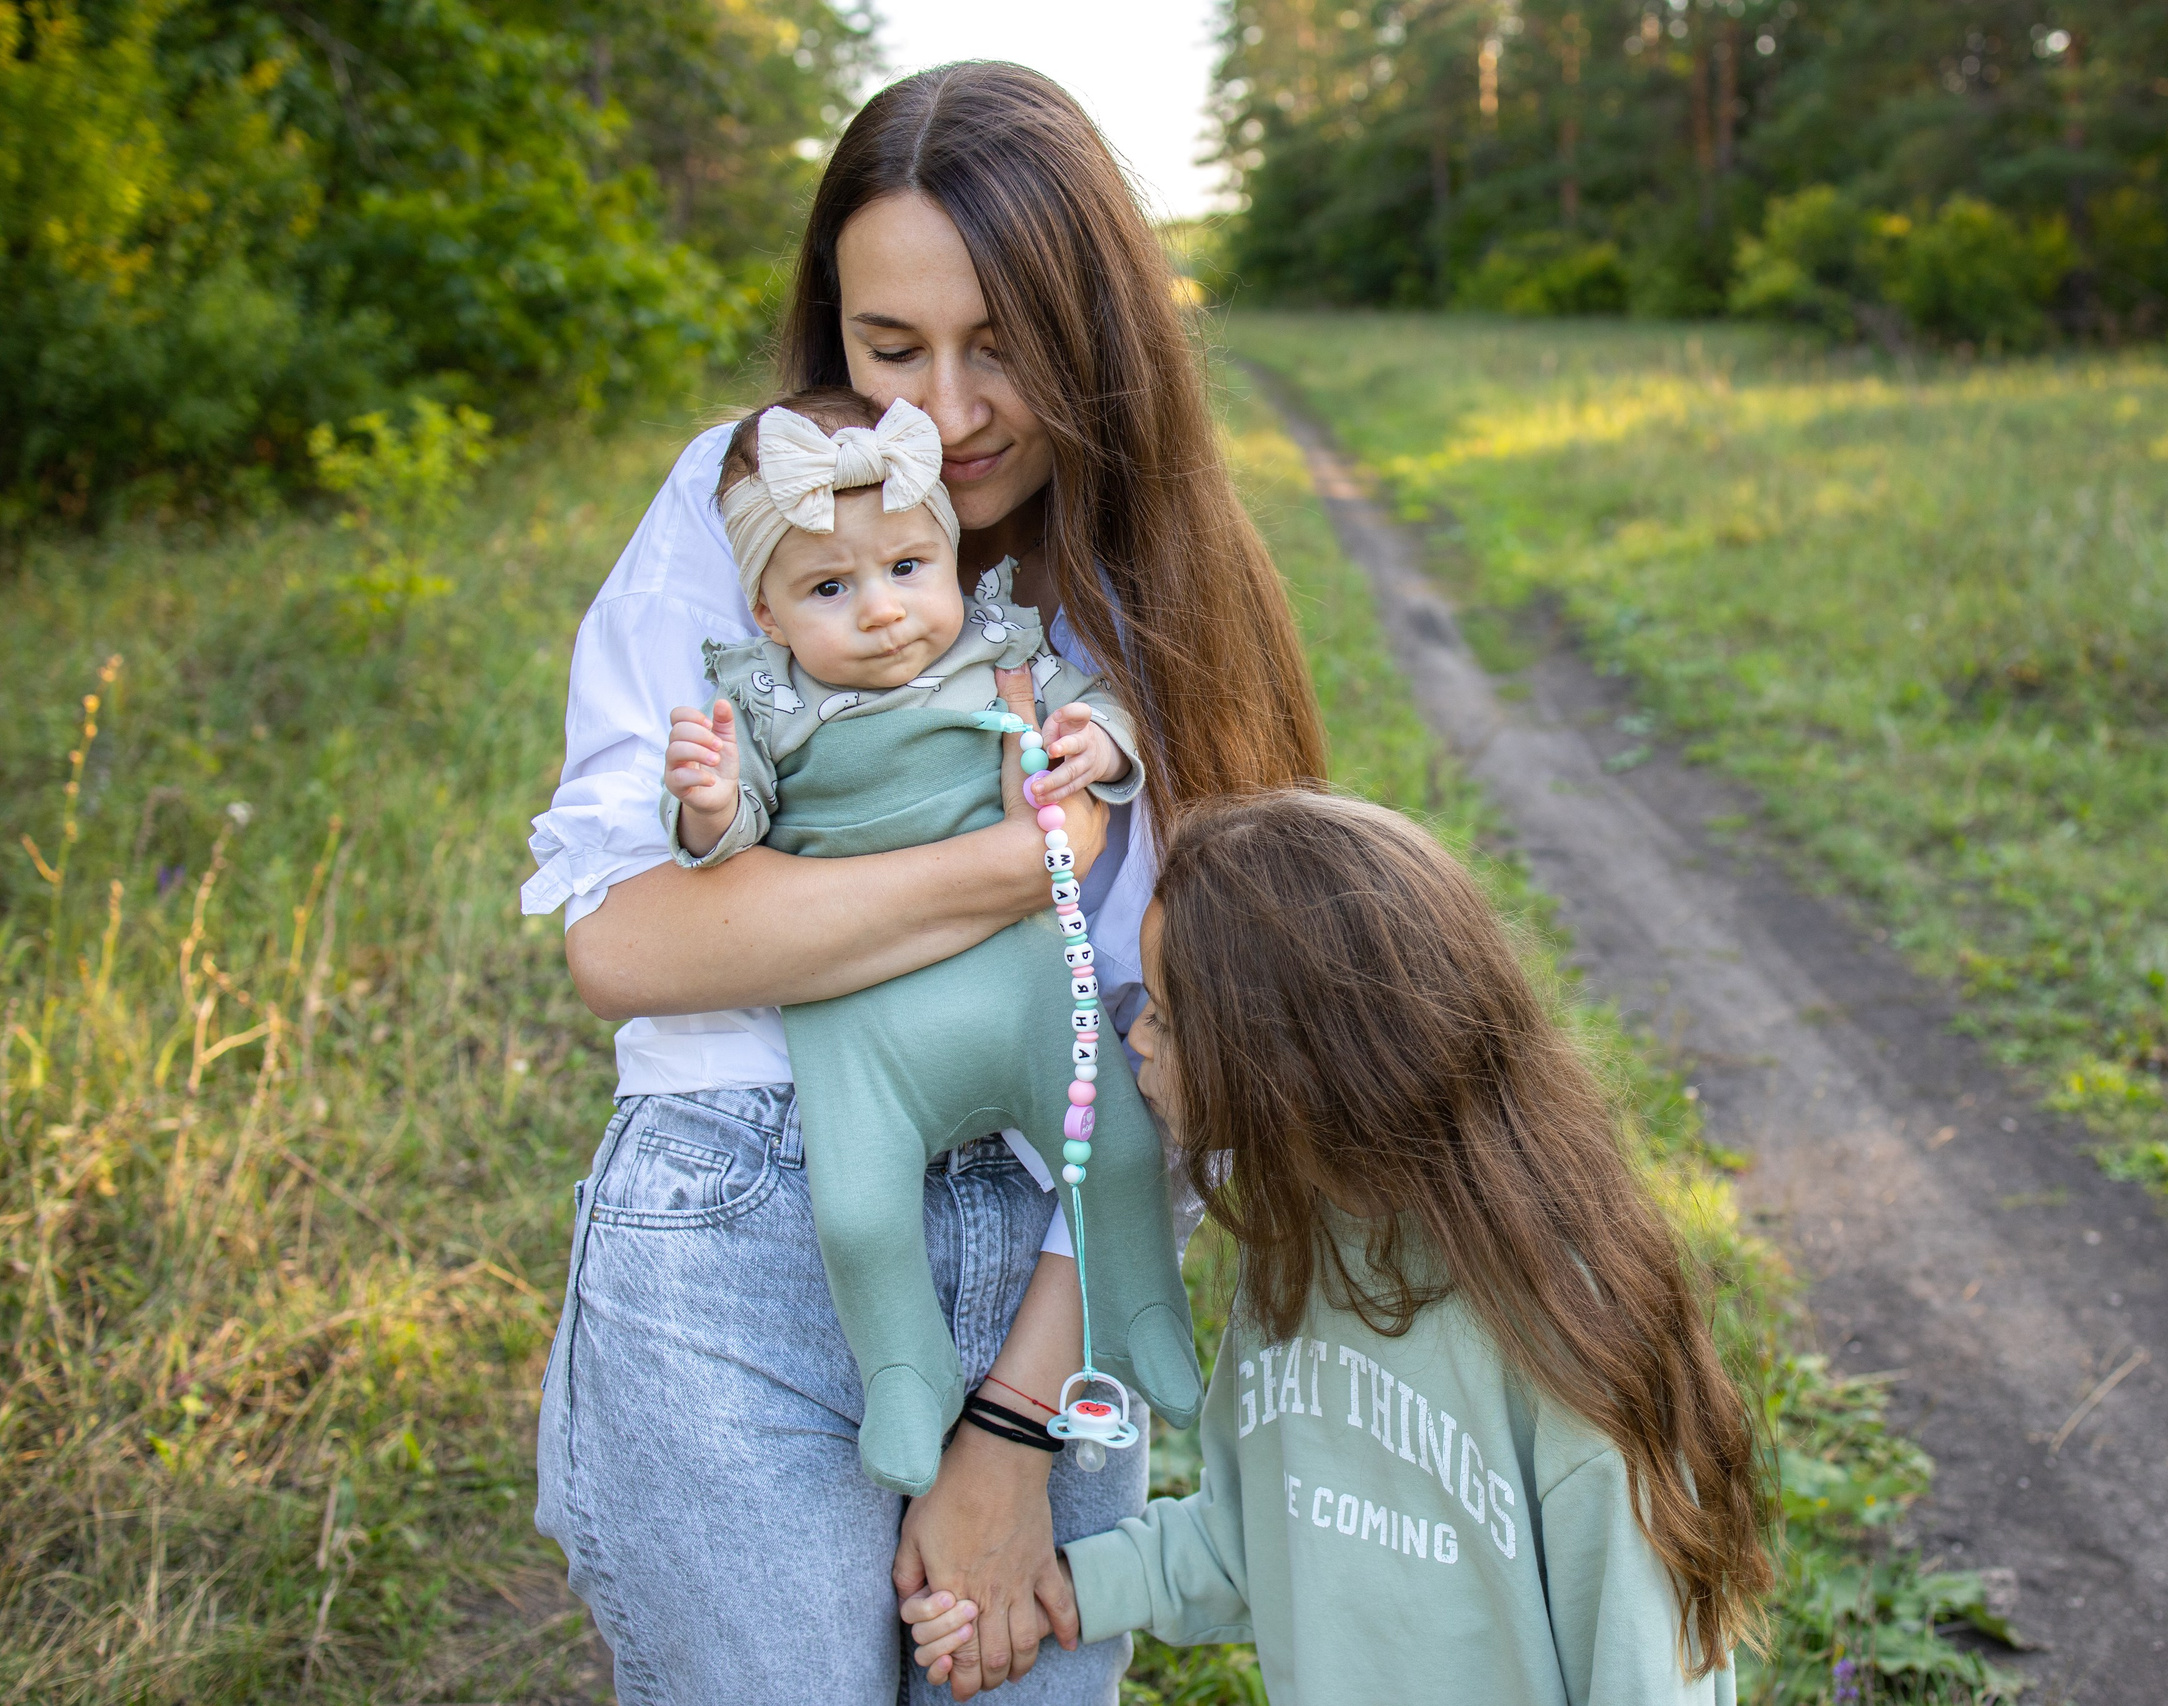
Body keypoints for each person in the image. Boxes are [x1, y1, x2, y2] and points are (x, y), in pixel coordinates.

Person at [520, 61, 1323, 1706]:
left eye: (1001, 345)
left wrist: (1018, 1429)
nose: (946, 417)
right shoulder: (751, 501)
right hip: (742, 1222)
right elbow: (630, 942)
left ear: (1095, 329)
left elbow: (1197, 1057)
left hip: (1066, 1248)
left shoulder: (1167, 595)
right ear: (831, 327)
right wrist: (1014, 865)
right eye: (892, 348)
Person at [906, 791, 1774, 1704]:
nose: (1134, 1039)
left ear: (1285, 1056)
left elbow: (1642, 1670)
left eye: (1164, 1014)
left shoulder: (1569, 1342)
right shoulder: (1298, 1251)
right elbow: (1259, 1537)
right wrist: (1057, 1590)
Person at [660, 391, 1198, 1497]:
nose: (882, 611)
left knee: (1119, 1152)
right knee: (859, 1214)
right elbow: (733, 832)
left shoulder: (998, 649)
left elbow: (1095, 707)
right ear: (767, 612)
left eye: (908, 567)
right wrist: (709, 804)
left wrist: (1096, 743)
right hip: (859, 1013)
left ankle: (1145, 1312)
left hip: (1023, 979)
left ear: (950, 559)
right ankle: (904, 1372)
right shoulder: (762, 700)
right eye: (829, 588)